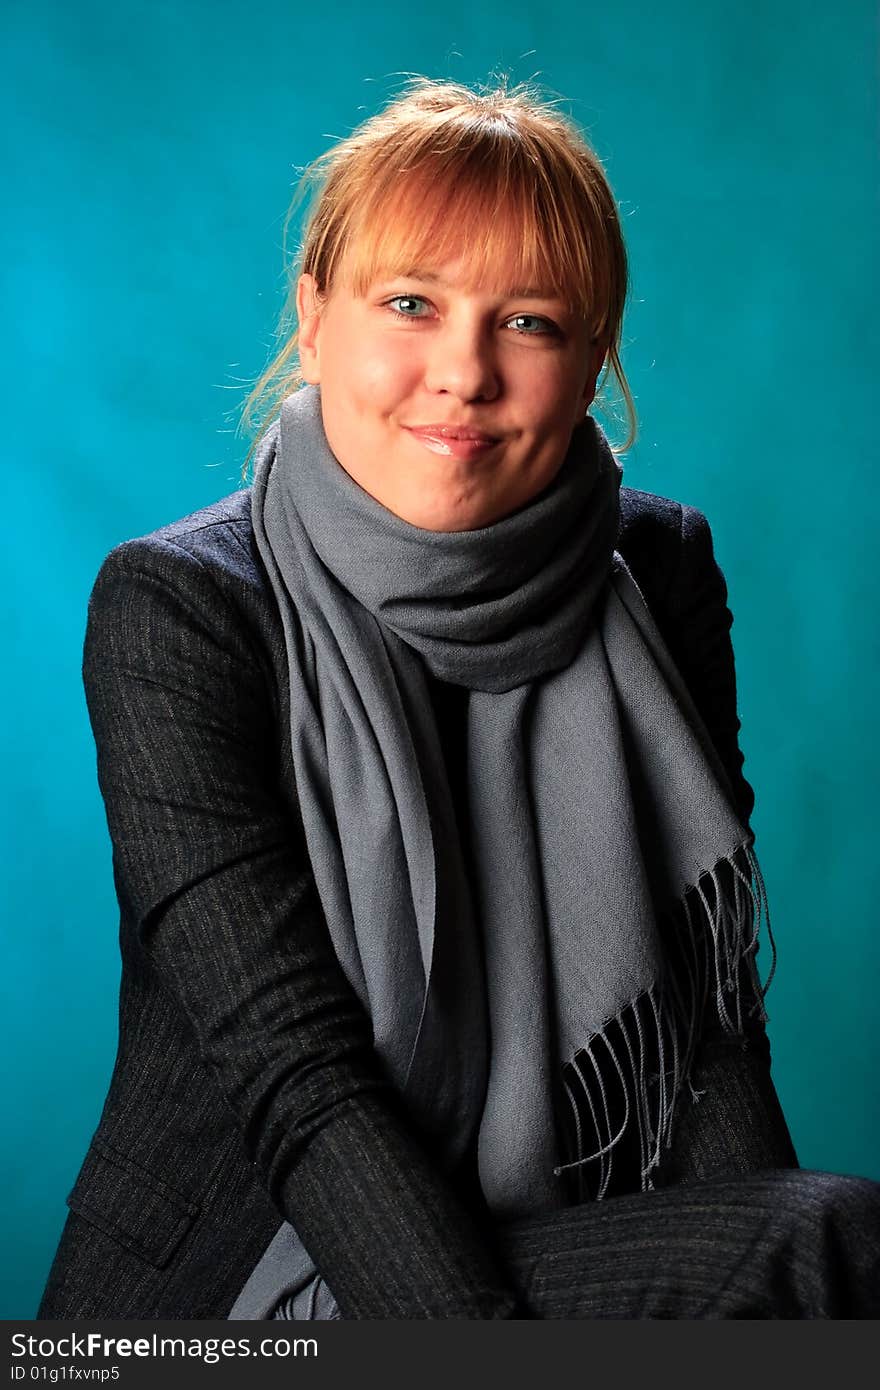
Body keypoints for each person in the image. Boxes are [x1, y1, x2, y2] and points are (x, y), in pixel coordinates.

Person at [39, 77, 880, 1320]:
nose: (464, 373)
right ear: (314, 317)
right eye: (410, 304)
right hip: (228, 1292)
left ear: (595, 356)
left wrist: (781, 1301)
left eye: (529, 322)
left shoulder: (657, 570)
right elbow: (301, 1081)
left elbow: (699, 1034)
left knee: (827, 1249)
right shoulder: (180, 606)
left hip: (566, 1245)